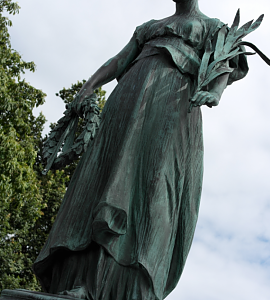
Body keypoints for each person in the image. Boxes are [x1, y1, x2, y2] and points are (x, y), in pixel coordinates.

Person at [33, 0, 249, 299]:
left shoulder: (213, 27)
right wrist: (89, 87)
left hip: (172, 103)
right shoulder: (149, 27)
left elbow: (224, 64)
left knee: (150, 186)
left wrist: (214, 92)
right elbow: (119, 61)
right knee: (105, 176)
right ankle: (81, 280)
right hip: (128, 98)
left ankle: (127, 286)